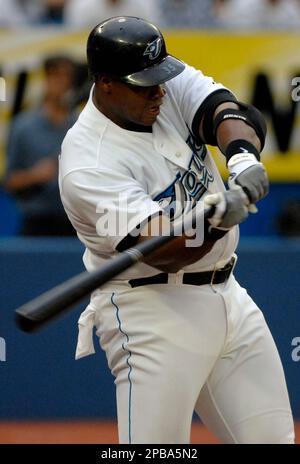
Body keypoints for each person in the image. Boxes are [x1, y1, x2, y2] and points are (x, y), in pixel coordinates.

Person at [59, 16, 294, 444]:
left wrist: (242, 158)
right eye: (145, 84)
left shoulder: (157, 80)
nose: (160, 91)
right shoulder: (87, 163)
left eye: (160, 77)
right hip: (150, 311)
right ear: (106, 83)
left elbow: (228, 111)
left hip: (229, 298)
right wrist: (220, 215)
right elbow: (163, 247)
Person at [5, 55, 77, 236]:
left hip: (76, 222)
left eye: (67, 77)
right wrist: (34, 176)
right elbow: (9, 181)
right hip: (36, 222)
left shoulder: (82, 126)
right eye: (56, 76)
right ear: (46, 79)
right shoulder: (23, 126)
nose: (62, 83)